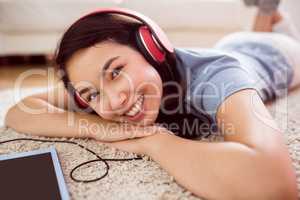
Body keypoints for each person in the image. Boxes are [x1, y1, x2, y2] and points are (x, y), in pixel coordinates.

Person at [4, 5, 300, 200]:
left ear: (153, 49)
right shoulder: (103, 95)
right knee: (238, 41)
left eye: (116, 71)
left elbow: (275, 185)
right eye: (92, 94)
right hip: (230, 45)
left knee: (259, 44)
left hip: (277, 56)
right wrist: (97, 128)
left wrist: (155, 142)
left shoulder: (216, 76)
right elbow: (20, 112)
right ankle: (266, 16)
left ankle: (271, 21)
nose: (114, 100)